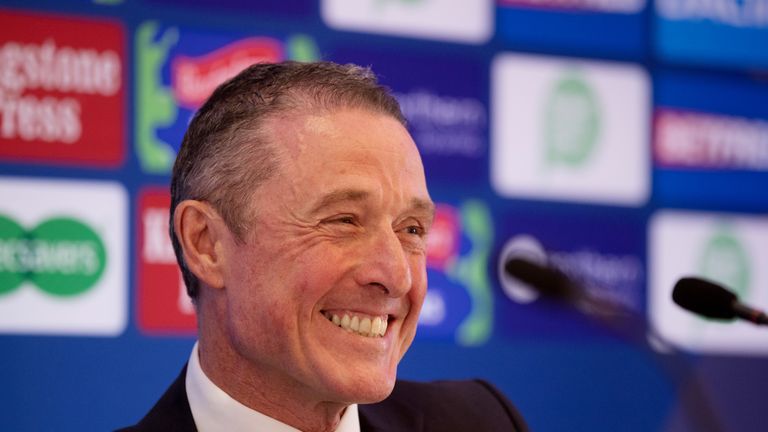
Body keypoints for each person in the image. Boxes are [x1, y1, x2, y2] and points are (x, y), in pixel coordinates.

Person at [118, 61, 528, 432]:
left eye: (413, 230)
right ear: (206, 244)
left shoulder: (481, 422)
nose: (397, 276)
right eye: (344, 221)